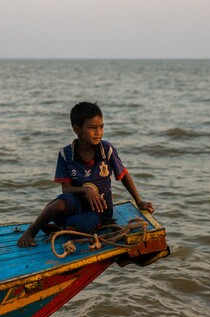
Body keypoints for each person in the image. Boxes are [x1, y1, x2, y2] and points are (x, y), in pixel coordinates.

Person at [17, 102, 154, 247]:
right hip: (75, 204)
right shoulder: (65, 154)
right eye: (92, 128)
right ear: (77, 129)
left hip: (99, 211)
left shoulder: (106, 150)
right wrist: (86, 190)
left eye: (101, 127)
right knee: (57, 205)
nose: (98, 132)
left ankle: (60, 229)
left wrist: (139, 201)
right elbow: (66, 189)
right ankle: (32, 231)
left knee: (72, 229)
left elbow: (124, 175)